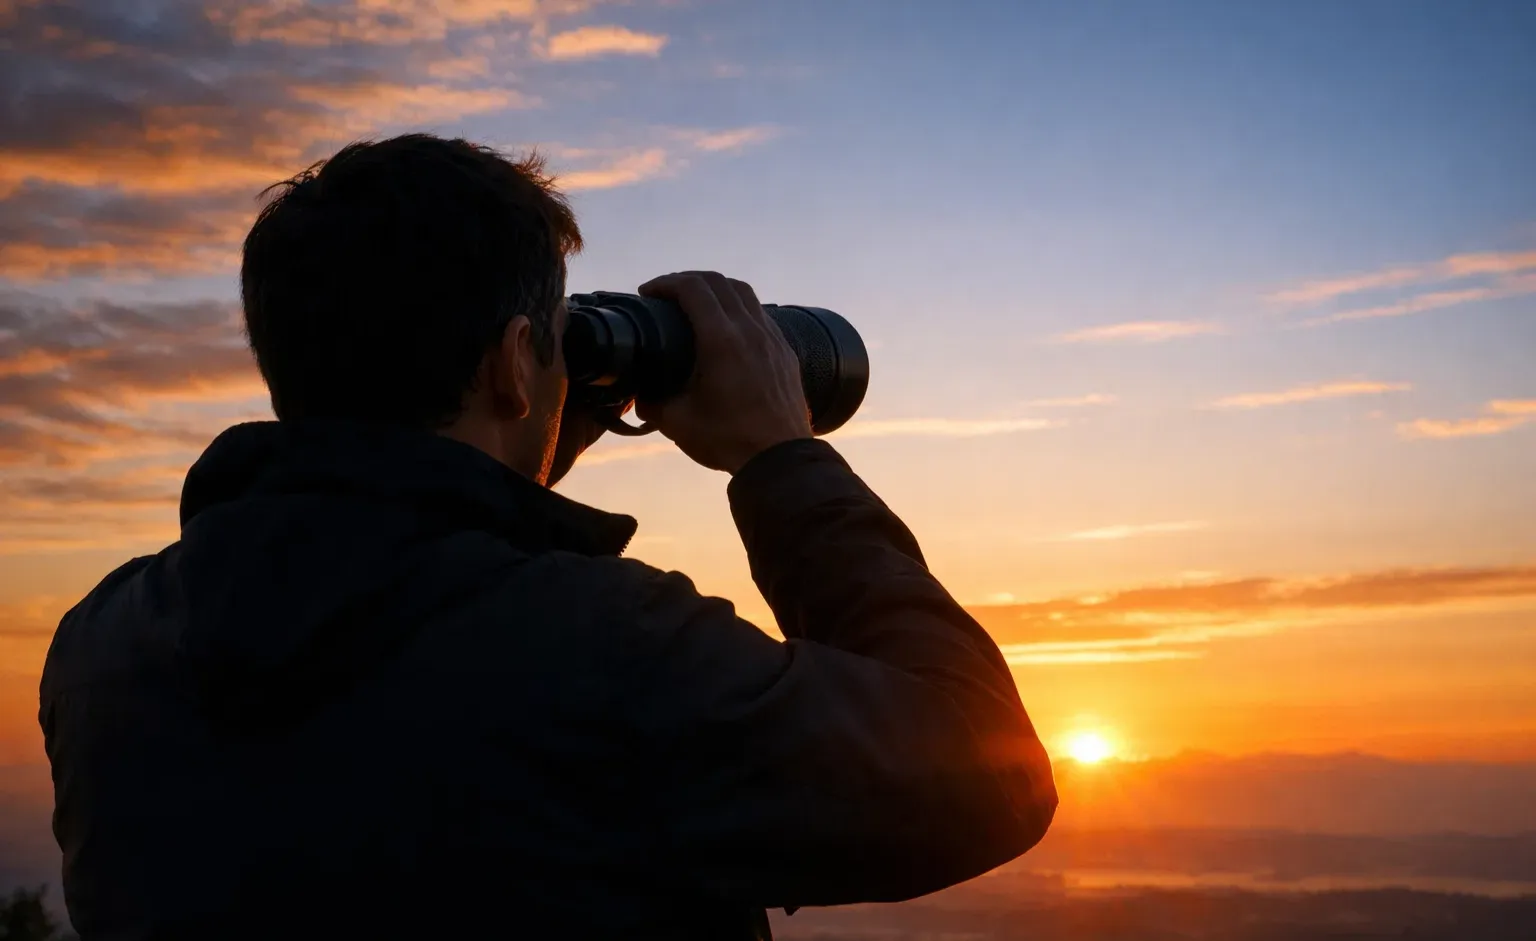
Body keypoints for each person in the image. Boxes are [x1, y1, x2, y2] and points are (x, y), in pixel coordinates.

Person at [39, 134, 1058, 940]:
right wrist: (781, 457)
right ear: (518, 362)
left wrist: (505, 467)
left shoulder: (104, 645)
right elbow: (986, 772)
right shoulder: (606, 652)